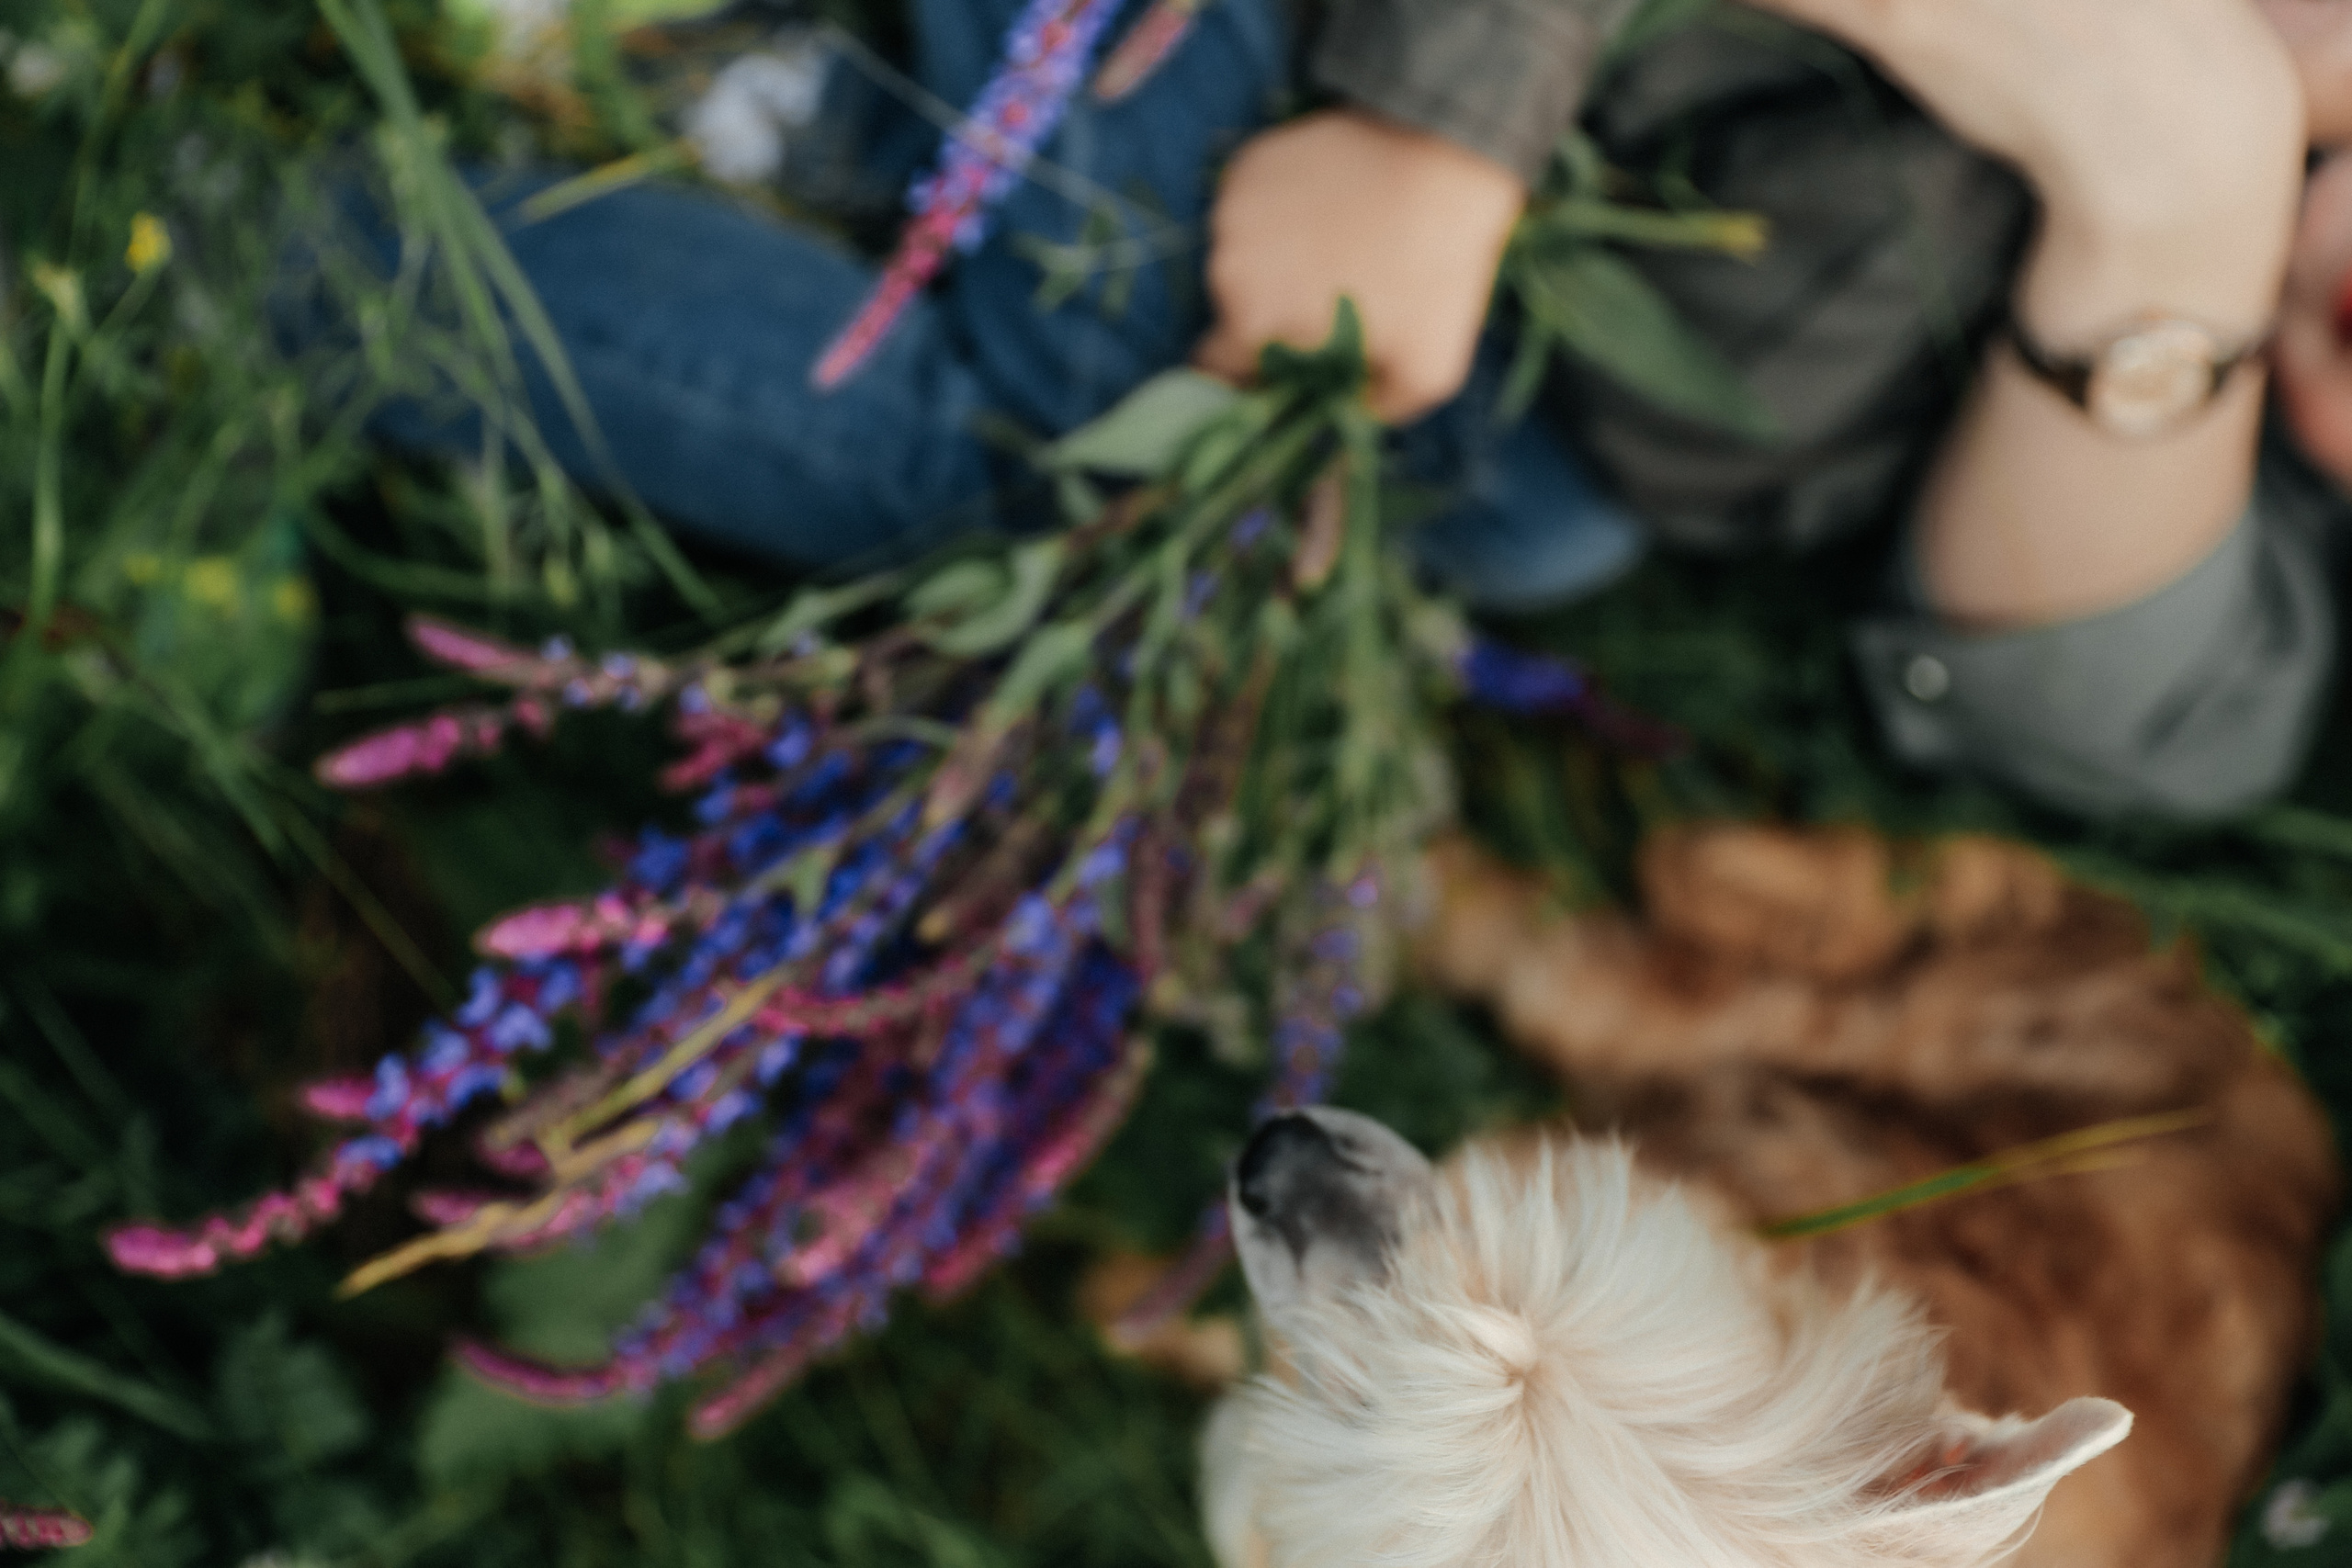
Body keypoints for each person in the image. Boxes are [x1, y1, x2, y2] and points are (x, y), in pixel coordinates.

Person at [355, 0, 2351, 819]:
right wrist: (1444, 115)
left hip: (1498, 365)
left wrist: (2176, 187)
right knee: (1120, 451)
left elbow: (2127, 715)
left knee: (1479, 517)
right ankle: (279, 248)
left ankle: (796, 117)